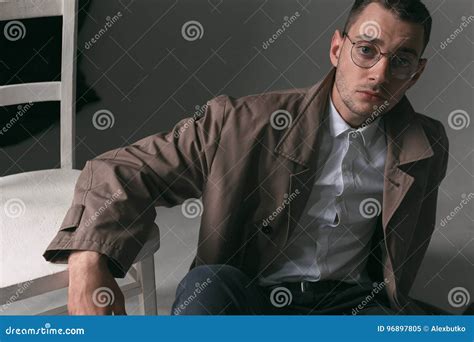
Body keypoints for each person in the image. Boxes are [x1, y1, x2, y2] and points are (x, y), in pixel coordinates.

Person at [43, 0, 449, 315]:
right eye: (366, 50)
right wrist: (87, 260)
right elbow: (123, 169)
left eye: (400, 61)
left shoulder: (426, 144)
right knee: (207, 285)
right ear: (337, 48)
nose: (379, 74)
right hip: (250, 297)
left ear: (416, 73)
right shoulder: (240, 122)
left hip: (353, 306)